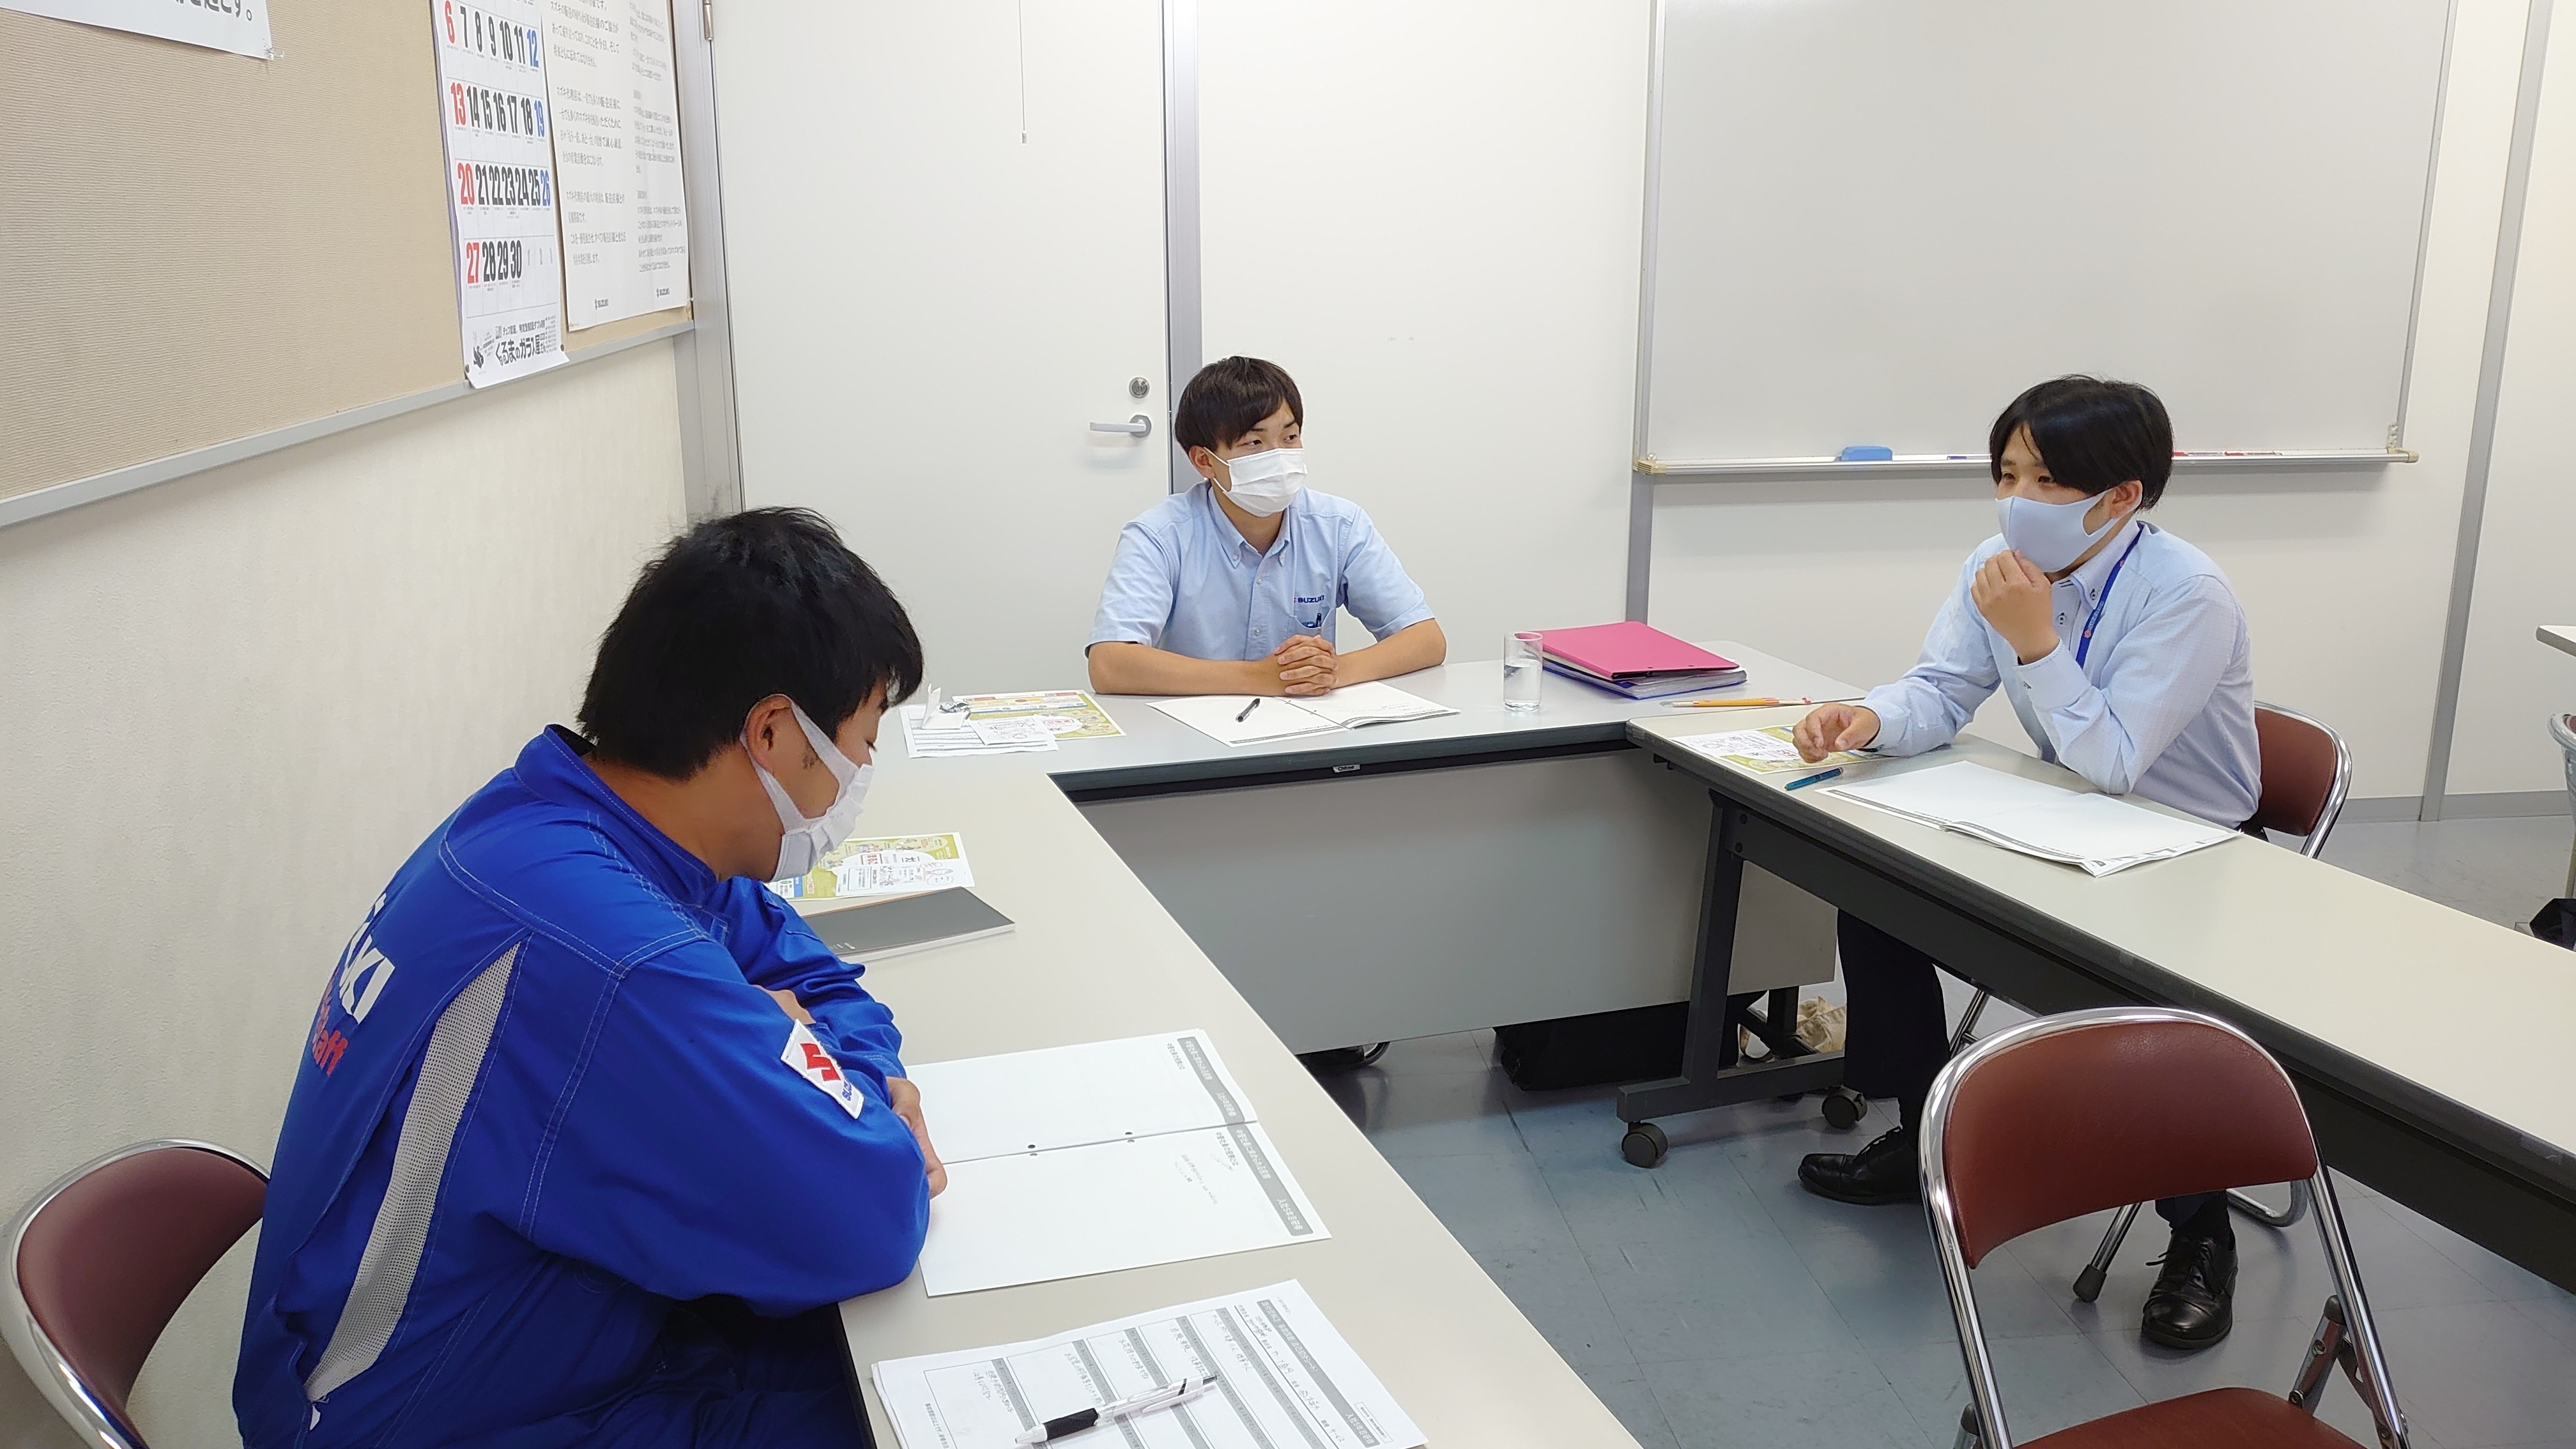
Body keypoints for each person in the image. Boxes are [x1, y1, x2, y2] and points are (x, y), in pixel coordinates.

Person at [236, 509, 946, 1449]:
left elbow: (802, 966)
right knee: (918, 1408)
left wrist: (855, 1070)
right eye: (862, 745)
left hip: (541, 1337)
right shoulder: (612, 956)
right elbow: (874, 1210)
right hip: (442, 1419)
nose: (860, 774)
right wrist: (837, 1083)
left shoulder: (572, 822)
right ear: (775, 733)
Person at [1789, 377, 2260, 1351]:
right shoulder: (1996, 565)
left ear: (2121, 497)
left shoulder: (2188, 594)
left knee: (2145, 1006)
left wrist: (2038, 643)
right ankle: (1928, 1138)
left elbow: (2117, 760)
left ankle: (2201, 1234)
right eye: (2007, 474)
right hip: (2071, 820)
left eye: (2046, 481)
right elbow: (1943, 686)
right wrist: (1870, 717)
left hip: (2188, 850)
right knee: (1880, 894)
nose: (2016, 500)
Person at [1087, 355, 1446, 696]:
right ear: (1204, 461)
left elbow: (1426, 640)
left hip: (1305, 726)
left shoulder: (1338, 525)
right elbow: (1110, 664)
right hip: (1194, 728)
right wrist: (1258, 678)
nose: (1279, 457)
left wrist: (1331, 671)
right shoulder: (1159, 536)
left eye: (1289, 438)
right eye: (1254, 443)